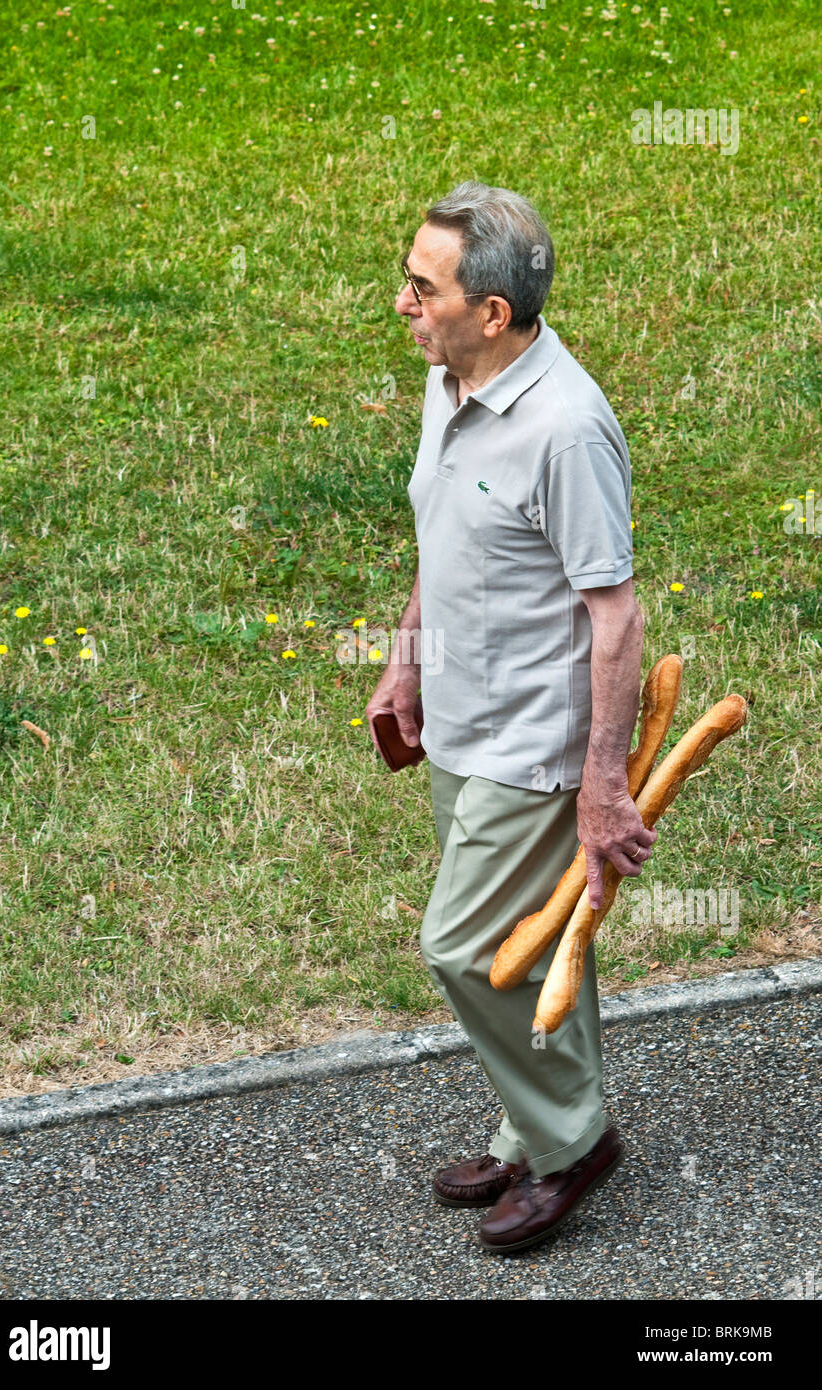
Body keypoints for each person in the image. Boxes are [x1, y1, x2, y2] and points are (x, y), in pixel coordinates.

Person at [364, 181, 657, 1255]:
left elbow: (613, 617)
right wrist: (406, 667)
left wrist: (601, 785)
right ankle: (530, 1124)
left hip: (532, 748)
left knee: (462, 945)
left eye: (420, 287)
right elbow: (444, 539)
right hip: (459, 724)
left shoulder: (566, 430)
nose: (401, 303)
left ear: (491, 311)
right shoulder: (453, 379)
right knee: (527, 951)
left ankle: (572, 1140)